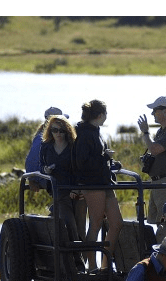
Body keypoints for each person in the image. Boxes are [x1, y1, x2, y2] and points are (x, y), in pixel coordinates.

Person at [73, 99, 123, 271]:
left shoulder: (95, 131)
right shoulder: (85, 133)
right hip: (93, 184)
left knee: (116, 222)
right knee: (95, 223)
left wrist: (110, 163)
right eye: (105, 114)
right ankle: (92, 267)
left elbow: (97, 158)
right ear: (100, 115)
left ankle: (105, 264)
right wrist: (104, 158)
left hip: (104, 183)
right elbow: (82, 162)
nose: (106, 117)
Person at [39, 115, 87, 262]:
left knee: (79, 227)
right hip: (59, 191)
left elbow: (80, 169)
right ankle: (76, 261)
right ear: (50, 131)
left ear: (67, 131)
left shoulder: (73, 146)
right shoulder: (46, 147)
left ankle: (83, 261)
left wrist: (76, 188)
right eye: (54, 130)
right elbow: (41, 166)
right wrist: (46, 171)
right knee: (69, 223)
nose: (58, 134)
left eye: (61, 130)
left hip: (75, 191)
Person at [137, 96, 166, 225]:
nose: (152, 113)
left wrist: (146, 132)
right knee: (156, 222)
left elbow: (155, 149)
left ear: (165, 112)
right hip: (159, 183)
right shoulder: (162, 131)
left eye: (155, 110)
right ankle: (158, 245)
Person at [26, 106, 68, 192]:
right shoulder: (45, 138)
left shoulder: (41, 135)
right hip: (48, 178)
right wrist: (32, 180)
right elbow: (33, 159)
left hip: (46, 177)